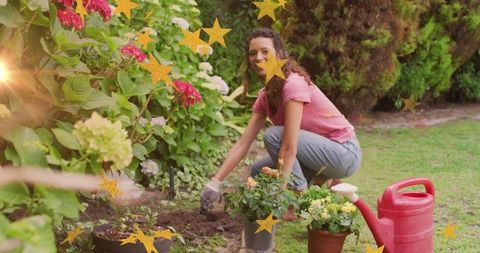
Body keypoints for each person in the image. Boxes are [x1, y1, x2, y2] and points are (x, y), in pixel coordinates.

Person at [200, 27, 362, 213]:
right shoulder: (265, 96)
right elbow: (242, 144)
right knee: (258, 171)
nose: (258, 58)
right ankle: (318, 182)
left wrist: (280, 197)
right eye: (253, 53)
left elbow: (288, 147)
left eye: (265, 51)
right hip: (318, 153)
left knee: (274, 136)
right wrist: (214, 182)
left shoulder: (293, 85)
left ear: (279, 54)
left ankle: (300, 201)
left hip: (344, 153)